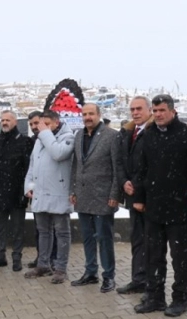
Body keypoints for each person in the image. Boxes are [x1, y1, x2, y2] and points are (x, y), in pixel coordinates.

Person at [133, 94, 187, 317]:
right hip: (153, 209)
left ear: (173, 111)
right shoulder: (149, 134)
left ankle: (180, 299)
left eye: (162, 110)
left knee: (180, 258)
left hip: (180, 209)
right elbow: (141, 169)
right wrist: (139, 198)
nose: (157, 115)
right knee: (153, 256)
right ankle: (155, 297)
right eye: (154, 111)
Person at [69, 104, 122, 292]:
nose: (87, 117)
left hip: (103, 197)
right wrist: (72, 190)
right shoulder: (78, 136)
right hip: (83, 196)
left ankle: (109, 276)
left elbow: (117, 168)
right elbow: (76, 165)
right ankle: (90, 272)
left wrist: (115, 195)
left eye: (91, 113)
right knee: (88, 238)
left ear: (99, 115)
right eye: (84, 114)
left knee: (104, 238)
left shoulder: (112, 136)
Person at [24, 110, 75, 284]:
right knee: (43, 232)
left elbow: (58, 153)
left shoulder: (68, 137)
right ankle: (43, 264)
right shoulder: (40, 139)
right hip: (40, 192)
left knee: (62, 232)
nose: (40, 127)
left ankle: (60, 268)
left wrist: (45, 133)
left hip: (58, 192)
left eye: (45, 123)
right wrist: (28, 185)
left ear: (56, 122)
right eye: (40, 124)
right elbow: (33, 163)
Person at [0, 110, 33, 272]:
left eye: (8, 120)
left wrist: (25, 191)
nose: (4, 122)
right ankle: (0, 256)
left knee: (17, 227)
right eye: (2, 120)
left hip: (17, 193)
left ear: (15, 122)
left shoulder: (25, 142)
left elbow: (28, 169)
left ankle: (16, 257)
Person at [116, 96, 153, 296]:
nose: (135, 112)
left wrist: (138, 189)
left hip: (148, 198)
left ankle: (151, 283)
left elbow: (150, 166)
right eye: (132, 109)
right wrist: (124, 182)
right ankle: (138, 279)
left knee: (151, 242)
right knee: (137, 239)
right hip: (131, 195)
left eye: (139, 109)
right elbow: (121, 162)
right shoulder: (128, 132)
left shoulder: (153, 132)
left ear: (149, 110)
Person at [25, 110, 56, 270]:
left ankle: (53, 259)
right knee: (41, 229)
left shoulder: (53, 139)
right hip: (37, 191)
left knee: (53, 230)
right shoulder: (33, 141)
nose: (34, 127)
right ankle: (41, 257)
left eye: (37, 123)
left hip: (52, 192)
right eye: (31, 125)